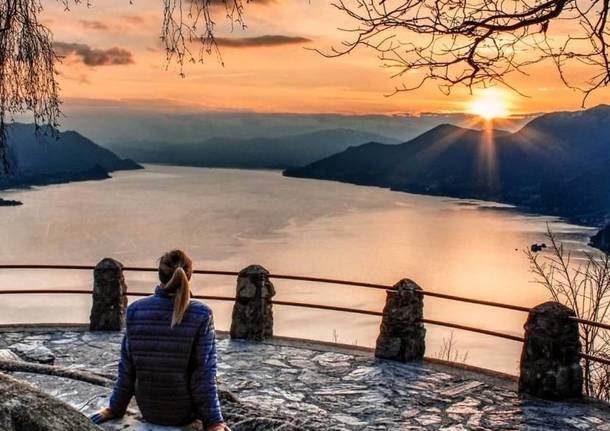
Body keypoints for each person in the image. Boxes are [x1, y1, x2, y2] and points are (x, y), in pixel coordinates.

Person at [90, 250, 226, 431]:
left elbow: (127, 369)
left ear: (160, 275)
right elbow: (203, 375)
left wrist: (115, 408)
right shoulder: (201, 314)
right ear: (189, 275)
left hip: (150, 410)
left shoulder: (135, 310)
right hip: (183, 414)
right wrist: (214, 422)